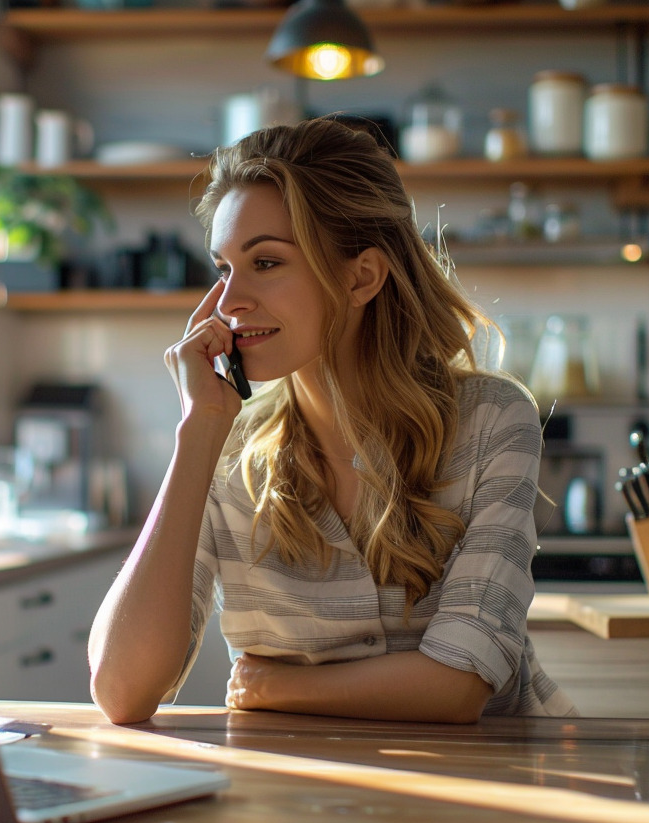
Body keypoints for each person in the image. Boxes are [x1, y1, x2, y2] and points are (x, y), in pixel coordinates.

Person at [87, 117, 575, 726]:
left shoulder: (493, 421)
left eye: (265, 262)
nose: (228, 303)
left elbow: (456, 687)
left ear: (361, 276)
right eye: (223, 268)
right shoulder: (224, 441)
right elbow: (121, 692)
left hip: (495, 785)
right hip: (296, 802)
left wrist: (275, 687)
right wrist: (198, 432)